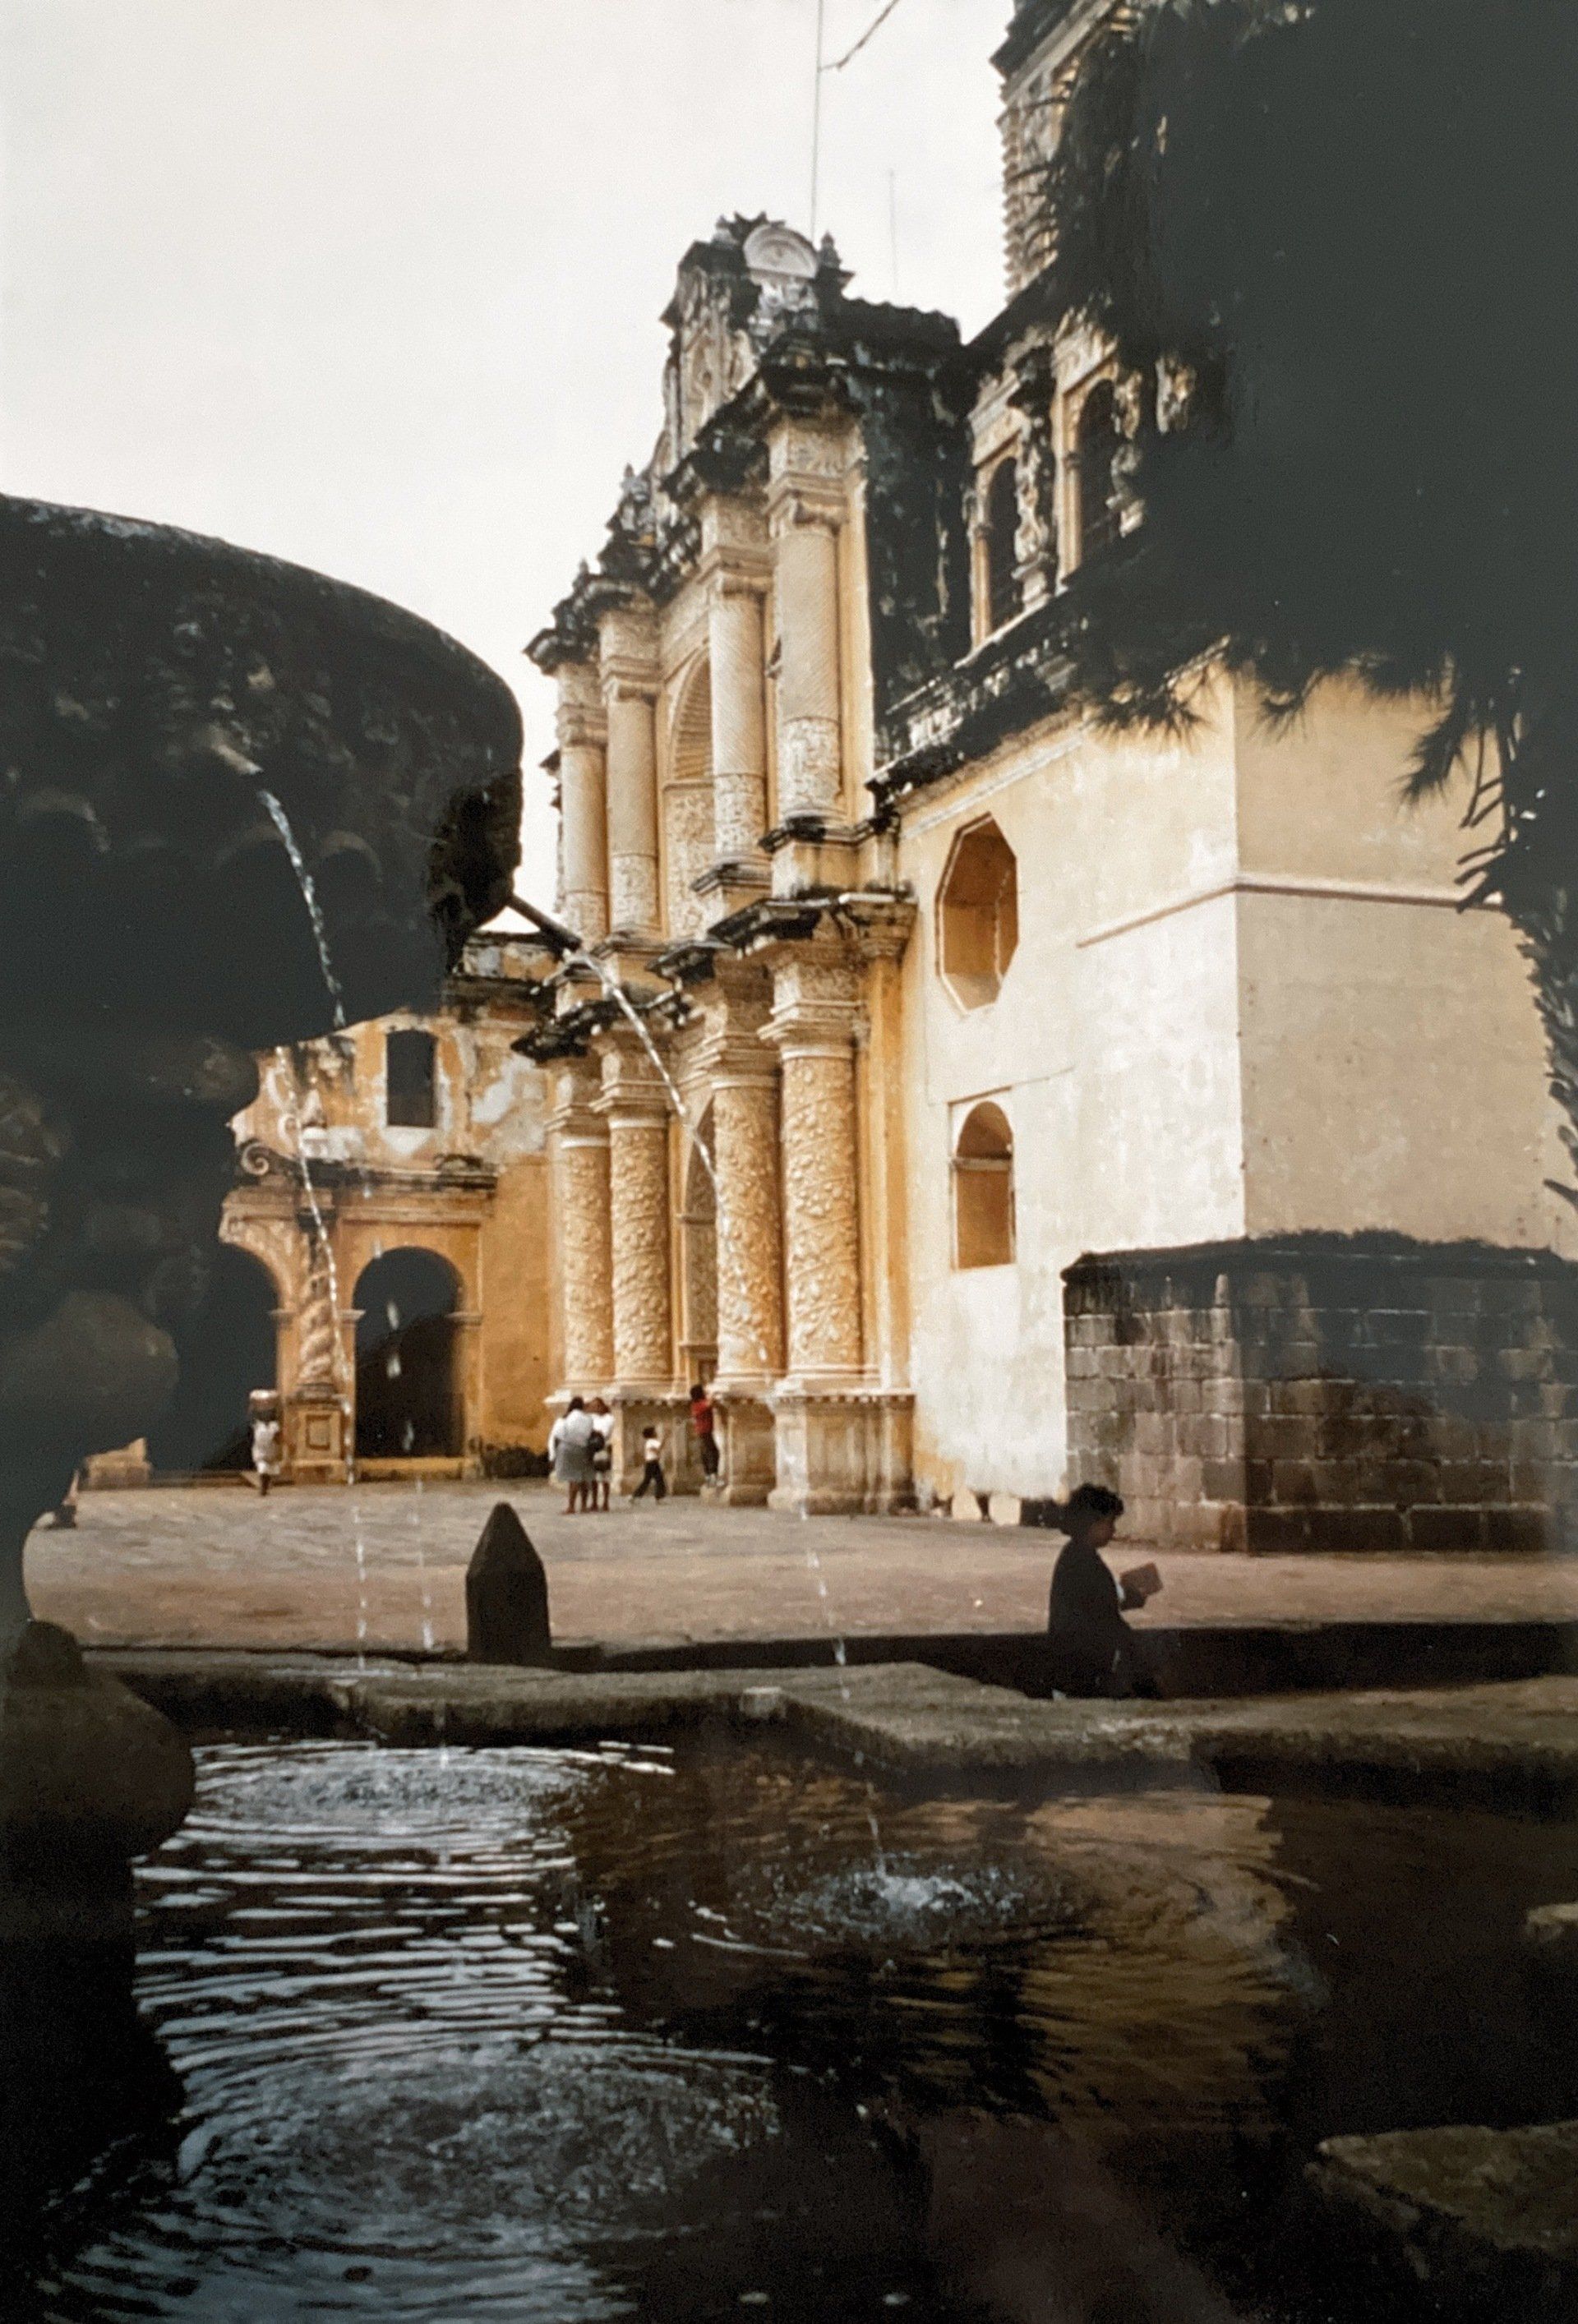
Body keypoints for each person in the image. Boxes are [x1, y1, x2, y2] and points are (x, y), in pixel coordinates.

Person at [1045, 1483, 1160, 1697]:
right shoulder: (1080, 1559)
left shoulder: (1077, 1555)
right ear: (1093, 1524)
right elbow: (1099, 1597)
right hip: (1079, 1668)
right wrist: (1128, 1595)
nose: (1113, 1530)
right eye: (1109, 1523)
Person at [547, 1395, 598, 1515]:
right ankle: (584, 1506)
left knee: (573, 1479)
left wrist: (552, 1455)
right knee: (584, 1478)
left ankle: (571, 1506)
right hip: (583, 1449)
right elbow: (589, 1433)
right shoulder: (589, 1419)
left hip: (567, 1448)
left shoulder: (565, 1418)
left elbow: (557, 1435)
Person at [249, 1397, 282, 1497]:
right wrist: (253, 1405)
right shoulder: (259, 1425)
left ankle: (265, 1487)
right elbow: (251, 1417)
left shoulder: (274, 1426)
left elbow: (278, 1437)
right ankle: (263, 1488)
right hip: (261, 1450)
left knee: (268, 1470)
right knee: (263, 1469)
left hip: (271, 1450)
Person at [689, 1383, 720, 1484]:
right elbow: (709, 1404)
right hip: (705, 1431)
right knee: (713, 1453)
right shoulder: (698, 1404)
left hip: (703, 1431)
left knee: (706, 1453)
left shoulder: (695, 1404)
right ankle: (712, 1475)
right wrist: (713, 1393)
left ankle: (709, 1476)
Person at [588, 1395, 614, 1513]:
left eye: (597, 1406)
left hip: (603, 1448)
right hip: (592, 1449)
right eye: (593, 1406)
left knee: (605, 1477)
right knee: (593, 1477)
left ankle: (605, 1502)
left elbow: (604, 1432)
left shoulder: (609, 1418)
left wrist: (594, 1432)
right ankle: (594, 1502)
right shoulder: (590, 1418)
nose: (595, 1408)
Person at [631, 1421, 667, 1502]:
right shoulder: (651, 1442)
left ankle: (658, 1497)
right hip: (652, 1463)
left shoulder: (649, 1442)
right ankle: (636, 1496)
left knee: (657, 1479)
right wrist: (665, 1438)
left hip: (652, 1463)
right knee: (652, 1480)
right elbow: (658, 1450)